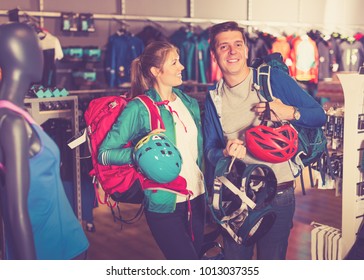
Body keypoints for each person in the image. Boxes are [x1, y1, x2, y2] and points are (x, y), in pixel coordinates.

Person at [203, 21, 327, 260]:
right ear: (214, 54)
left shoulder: (271, 80)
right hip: (235, 197)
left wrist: (289, 112)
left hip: (278, 194)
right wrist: (225, 153)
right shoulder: (214, 97)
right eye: (224, 46)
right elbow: (209, 149)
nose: (232, 52)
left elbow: (319, 115)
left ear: (247, 49)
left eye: (238, 44)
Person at [98, 41, 205, 260]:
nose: (182, 67)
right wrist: (140, 156)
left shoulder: (190, 103)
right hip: (164, 203)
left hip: (197, 198)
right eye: (174, 62)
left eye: (180, 60)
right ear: (156, 71)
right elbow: (104, 153)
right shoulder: (138, 107)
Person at [0, 22, 89, 260]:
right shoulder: (11, 123)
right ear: (18, 54)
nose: (42, 56)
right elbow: (15, 210)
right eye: (37, 47)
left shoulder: (17, 115)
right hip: (48, 248)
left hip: (65, 240)